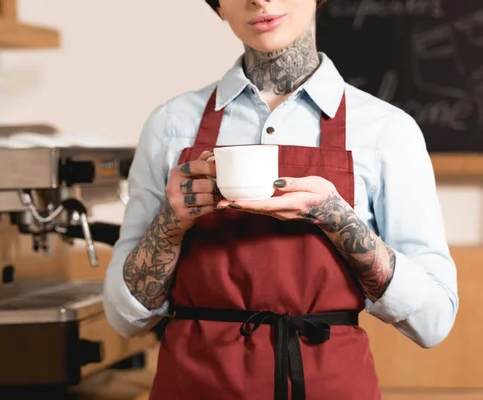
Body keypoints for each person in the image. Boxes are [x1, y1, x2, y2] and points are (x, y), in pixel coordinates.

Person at [103, 0, 459, 398]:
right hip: (195, 382)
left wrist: (339, 220)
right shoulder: (170, 125)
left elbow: (433, 320)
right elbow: (123, 317)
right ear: (219, 6)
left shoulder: (387, 132)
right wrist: (169, 224)